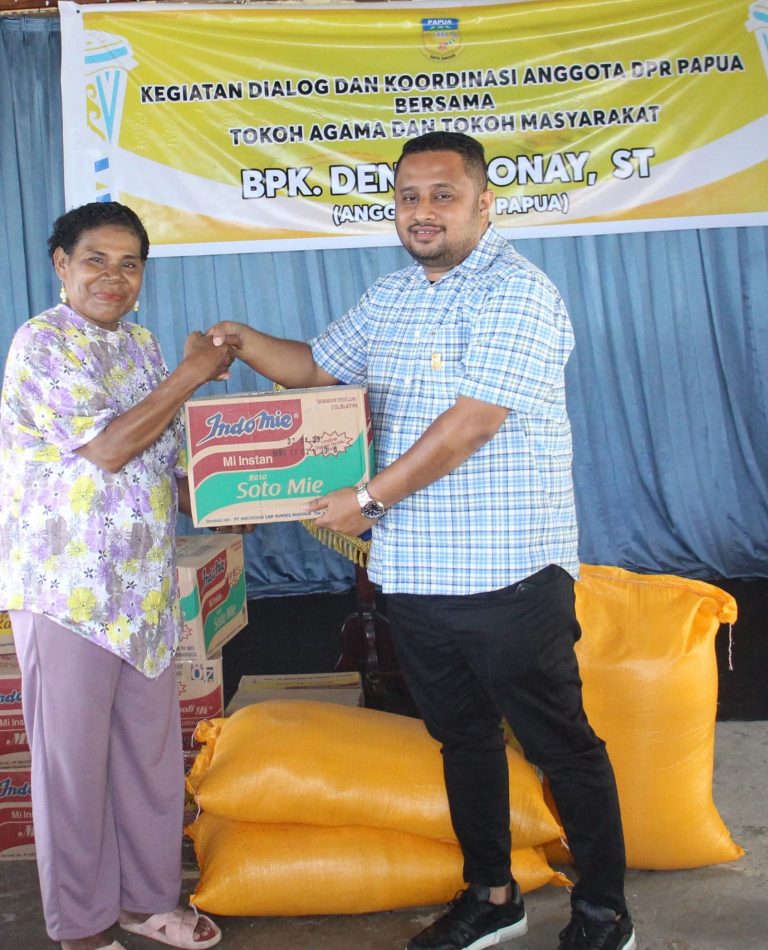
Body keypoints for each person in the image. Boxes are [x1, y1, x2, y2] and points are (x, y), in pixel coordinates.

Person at [207, 131, 635, 950]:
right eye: (409, 197)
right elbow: (315, 367)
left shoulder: (517, 292)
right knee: (463, 741)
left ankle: (604, 910)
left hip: (508, 574)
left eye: (443, 195)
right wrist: (241, 341)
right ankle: (494, 894)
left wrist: (367, 497)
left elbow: (471, 423)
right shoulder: (392, 296)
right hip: (415, 573)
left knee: (560, 745)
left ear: (484, 203)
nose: (423, 211)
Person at [0, 201, 240, 950]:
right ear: (61, 265)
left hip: (142, 589)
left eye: (129, 263)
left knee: (148, 758)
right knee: (73, 769)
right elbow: (107, 449)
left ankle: (146, 902)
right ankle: (83, 926)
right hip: (66, 590)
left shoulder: (140, 345)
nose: (113, 276)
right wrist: (192, 375)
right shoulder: (42, 343)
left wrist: (238, 495)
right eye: (96, 260)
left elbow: (158, 461)